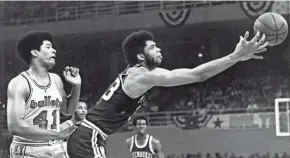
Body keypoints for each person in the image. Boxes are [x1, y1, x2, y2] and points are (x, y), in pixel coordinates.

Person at [67, 30, 268, 158]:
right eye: (153, 47)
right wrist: (236, 56)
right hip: (88, 137)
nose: (159, 49)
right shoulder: (141, 75)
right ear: (140, 56)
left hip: (90, 137)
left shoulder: (134, 74)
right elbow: (198, 75)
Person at [7, 31, 82, 158]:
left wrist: (77, 86)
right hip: (29, 149)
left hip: (55, 147)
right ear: (34, 52)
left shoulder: (56, 80)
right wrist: (57, 135)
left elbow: (68, 111)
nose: (54, 51)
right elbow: (15, 126)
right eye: (48, 47)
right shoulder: (19, 83)